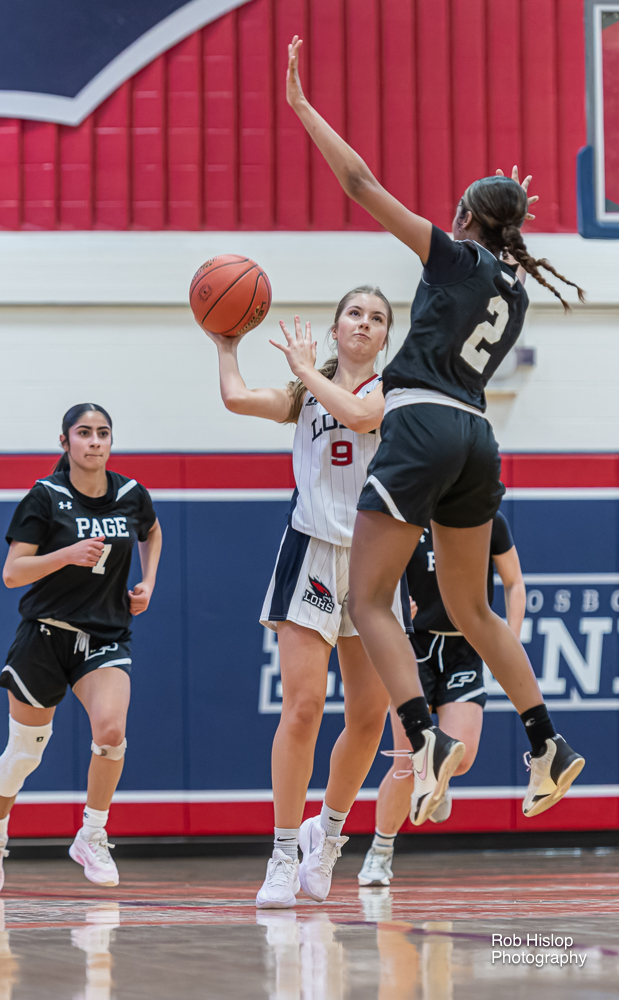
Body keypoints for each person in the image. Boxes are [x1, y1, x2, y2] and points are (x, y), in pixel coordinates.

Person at [284, 36, 585, 827]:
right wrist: (503, 202)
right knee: (471, 608)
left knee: (368, 600)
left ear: (464, 219)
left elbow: (360, 182)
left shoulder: (453, 257)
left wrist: (304, 109)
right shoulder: (513, 289)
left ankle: (424, 738)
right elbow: (496, 229)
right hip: (478, 441)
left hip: (420, 426)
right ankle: (546, 741)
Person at [205, 287, 411, 909]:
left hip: (374, 558)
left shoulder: (394, 388)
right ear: (336, 326)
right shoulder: (304, 394)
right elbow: (237, 398)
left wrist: (304, 372)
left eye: (377, 318)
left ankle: (330, 837)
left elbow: (362, 418)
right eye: (354, 313)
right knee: (303, 708)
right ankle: (283, 852)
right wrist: (225, 343)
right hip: (313, 550)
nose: (364, 323)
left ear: (385, 336)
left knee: (369, 718)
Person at [0, 404, 162, 895]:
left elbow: (152, 531)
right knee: (24, 754)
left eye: (103, 433)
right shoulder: (45, 496)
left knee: (112, 732)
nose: (95, 441)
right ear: (65, 442)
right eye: (84, 433)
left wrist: (148, 581)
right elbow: (12, 573)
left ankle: (91, 834)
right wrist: (67, 555)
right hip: (45, 636)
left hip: (104, 636)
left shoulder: (130, 494)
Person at [358, 511, 525, 886]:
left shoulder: (487, 519)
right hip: (411, 646)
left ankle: (439, 778)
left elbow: (514, 582)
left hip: (463, 649)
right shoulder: (406, 517)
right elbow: (375, 581)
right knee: (407, 762)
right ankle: (380, 852)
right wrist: (394, 604)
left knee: (460, 758)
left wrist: (508, 643)